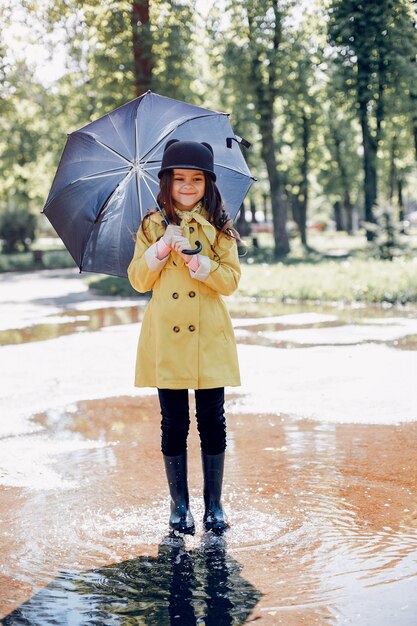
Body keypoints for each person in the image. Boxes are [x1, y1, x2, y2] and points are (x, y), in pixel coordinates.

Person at [127, 139, 242, 535]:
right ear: (167, 182)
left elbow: (230, 282)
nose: (188, 186)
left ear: (207, 183)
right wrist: (160, 248)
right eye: (180, 179)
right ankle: (179, 506)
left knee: (213, 419)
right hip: (167, 338)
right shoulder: (151, 225)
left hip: (208, 336)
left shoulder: (221, 228)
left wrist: (198, 260)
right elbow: (138, 280)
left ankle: (214, 504)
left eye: (196, 179)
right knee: (173, 422)